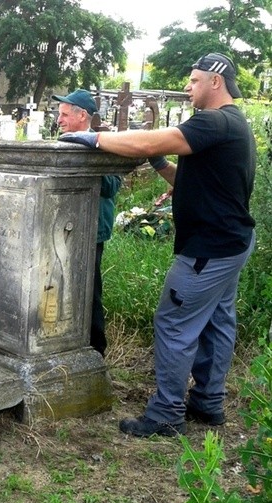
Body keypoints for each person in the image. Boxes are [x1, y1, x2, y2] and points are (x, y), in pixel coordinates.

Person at [60, 53, 256, 437]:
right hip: (231, 242)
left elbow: (157, 137)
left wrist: (97, 138)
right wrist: (161, 165)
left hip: (207, 249)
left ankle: (166, 413)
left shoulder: (214, 120)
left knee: (174, 323)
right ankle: (208, 402)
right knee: (217, 322)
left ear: (216, 82)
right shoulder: (235, 125)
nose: (188, 87)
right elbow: (196, 183)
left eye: (194, 80)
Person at [52, 89, 121, 357]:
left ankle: (95, 349)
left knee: (89, 291)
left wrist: (86, 150)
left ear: (82, 116)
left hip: (91, 231)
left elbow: (111, 186)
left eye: (65, 114)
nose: (59, 120)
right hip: (66, 228)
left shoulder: (104, 144)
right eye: (59, 115)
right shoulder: (64, 140)